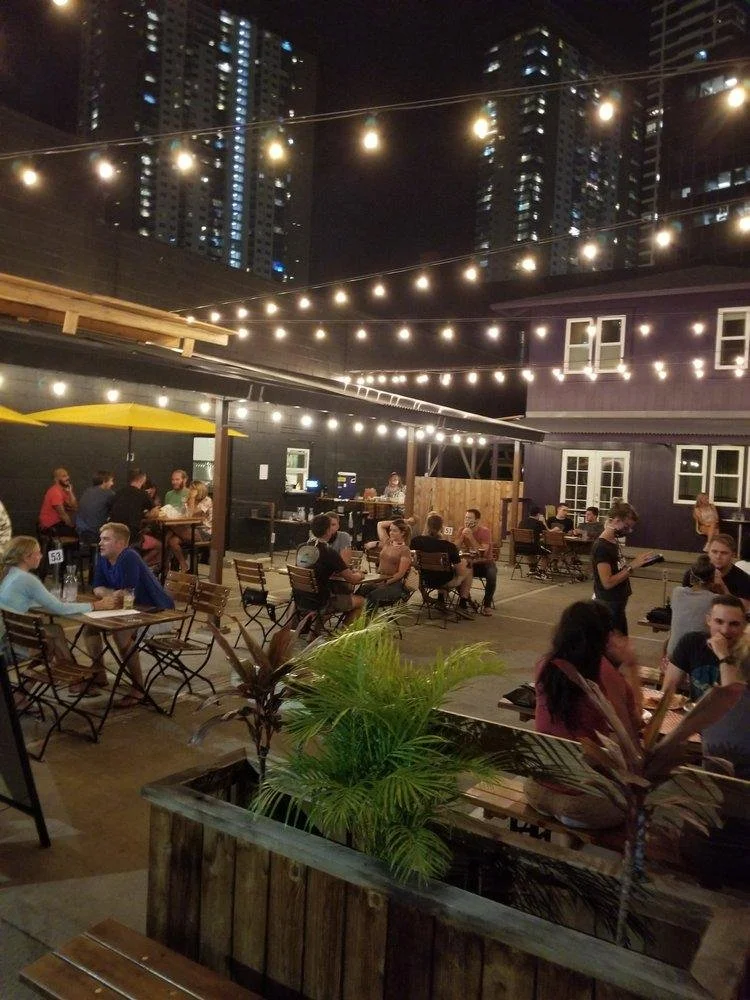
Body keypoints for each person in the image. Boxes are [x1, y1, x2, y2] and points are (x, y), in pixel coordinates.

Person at [525, 600, 641, 829]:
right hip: (582, 803)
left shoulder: (544, 665)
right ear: (604, 637)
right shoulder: (605, 673)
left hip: (537, 791)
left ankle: (567, 837)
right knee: (637, 798)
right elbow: (631, 732)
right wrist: (632, 666)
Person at [84, 522, 175, 705]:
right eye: (101, 539)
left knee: (121, 632)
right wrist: (111, 594)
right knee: (90, 628)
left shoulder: (129, 556)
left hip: (158, 614)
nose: (100, 543)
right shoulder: (104, 557)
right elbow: (97, 588)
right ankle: (99, 675)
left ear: (120, 543)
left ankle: (138, 688)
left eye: (106, 539)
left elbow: (127, 593)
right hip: (129, 611)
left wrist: (110, 594)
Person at [0, 535, 116, 671]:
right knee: (52, 638)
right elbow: (60, 608)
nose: (41, 556)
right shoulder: (27, 579)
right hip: (10, 646)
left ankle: (70, 673)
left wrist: (47, 601)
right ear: (26, 557)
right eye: (38, 553)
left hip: (8, 636)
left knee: (55, 631)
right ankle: (72, 674)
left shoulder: (10, 574)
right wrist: (95, 605)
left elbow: (21, 601)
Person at [664, 594, 748, 702]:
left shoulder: (747, 654)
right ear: (708, 620)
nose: (725, 630)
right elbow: (668, 689)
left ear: (744, 625)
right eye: (719, 621)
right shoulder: (692, 642)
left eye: (734, 624)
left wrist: (723, 655)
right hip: (695, 710)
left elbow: (731, 702)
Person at [591, 501, 657, 635]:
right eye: (626, 526)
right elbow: (607, 582)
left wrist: (638, 563)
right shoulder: (602, 547)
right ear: (616, 521)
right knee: (614, 642)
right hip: (609, 603)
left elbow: (618, 568)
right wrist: (632, 566)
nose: (628, 531)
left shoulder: (613, 542)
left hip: (617, 603)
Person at [296, 513, 365, 624]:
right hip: (321, 602)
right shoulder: (329, 552)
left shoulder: (302, 547)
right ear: (328, 530)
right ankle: (342, 634)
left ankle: (314, 632)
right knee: (362, 601)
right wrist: (360, 574)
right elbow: (352, 579)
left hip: (300, 599)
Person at [411, 513, 474, 618]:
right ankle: (463, 604)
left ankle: (441, 600)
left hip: (423, 579)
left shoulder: (416, 541)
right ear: (441, 527)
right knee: (468, 569)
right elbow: (459, 570)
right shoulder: (448, 546)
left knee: (443, 570)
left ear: (427, 526)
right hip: (444, 582)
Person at [667, 554, 719, 658]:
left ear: (691, 577)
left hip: (673, 653)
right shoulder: (716, 600)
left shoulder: (677, 592)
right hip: (698, 658)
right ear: (713, 579)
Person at [109, 467, 162, 570]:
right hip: (132, 536)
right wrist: (149, 514)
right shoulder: (142, 494)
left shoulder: (118, 493)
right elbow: (154, 513)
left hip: (115, 534)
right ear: (143, 479)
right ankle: (141, 567)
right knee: (160, 545)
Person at [681, 533, 750, 611]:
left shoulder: (744, 580)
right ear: (708, 552)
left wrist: (723, 588)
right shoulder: (693, 573)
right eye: (714, 552)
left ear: (733, 555)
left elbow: (744, 609)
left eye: (724, 553)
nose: (718, 557)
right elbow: (684, 603)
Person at [358, 518, 413, 610]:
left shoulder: (405, 550)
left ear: (402, 533)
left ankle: (369, 619)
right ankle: (353, 617)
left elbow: (400, 574)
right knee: (361, 591)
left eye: (394, 531)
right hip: (379, 579)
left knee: (372, 596)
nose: (391, 533)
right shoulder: (387, 542)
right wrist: (404, 521)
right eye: (390, 530)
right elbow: (380, 524)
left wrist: (385, 582)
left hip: (394, 584)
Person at [457, 508, 496, 615]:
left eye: (470, 518)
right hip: (470, 562)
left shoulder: (485, 532)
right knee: (457, 571)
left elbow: (483, 552)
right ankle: (466, 600)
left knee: (492, 575)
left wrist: (471, 537)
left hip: (485, 563)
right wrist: (462, 537)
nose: (467, 520)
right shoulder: (462, 530)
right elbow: (455, 548)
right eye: (466, 518)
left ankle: (487, 605)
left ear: (477, 520)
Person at [75, 470, 115, 545]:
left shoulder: (87, 491)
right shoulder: (109, 494)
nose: (112, 483)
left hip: (81, 531)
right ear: (104, 481)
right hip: (95, 532)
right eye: (111, 481)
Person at [38, 467, 78, 536]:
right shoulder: (55, 492)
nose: (68, 477)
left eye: (67, 475)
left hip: (58, 523)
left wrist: (70, 492)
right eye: (64, 476)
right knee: (80, 532)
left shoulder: (64, 491)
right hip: (50, 526)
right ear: (56, 479)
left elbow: (74, 506)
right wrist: (72, 526)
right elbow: (62, 515)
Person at [517, 505, 551, 579]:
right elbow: (547, 533)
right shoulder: (538, 523)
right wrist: (543, 522)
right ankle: (542, 572)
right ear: (538, 514)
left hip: (519, 547)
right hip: (532, 548)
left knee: (530, 551)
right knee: (548, 553)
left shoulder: (522, 522)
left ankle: (532, 569)